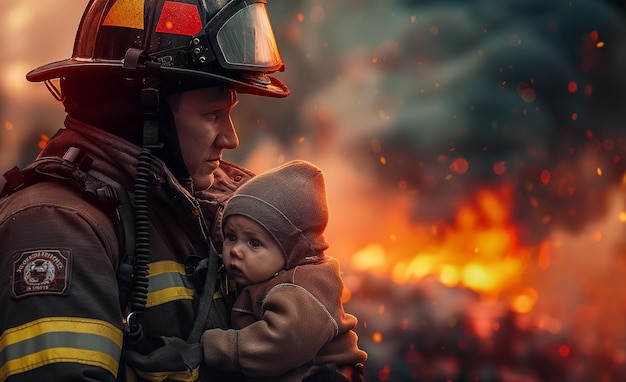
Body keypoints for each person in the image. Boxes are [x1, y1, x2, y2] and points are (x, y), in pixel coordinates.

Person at [0, 1, 290, 381]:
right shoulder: (57, 226)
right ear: (146, 113)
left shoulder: (208, 202)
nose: (231, 139)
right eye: (212, 114)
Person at [201, 160, 367, 381]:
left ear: (291, 250)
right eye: (231, 237)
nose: (236, 251)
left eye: (254, 243)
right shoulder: (266, 276)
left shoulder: (304, 286)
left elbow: (278, 346)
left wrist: (209, 346)